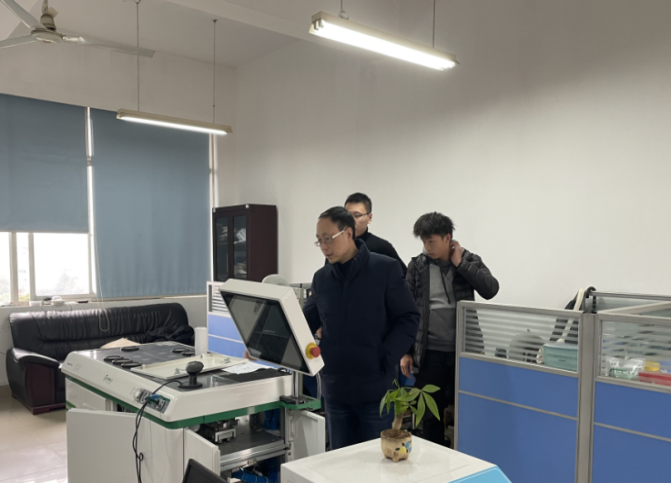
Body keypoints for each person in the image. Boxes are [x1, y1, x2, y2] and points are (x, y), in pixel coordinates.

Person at [303, 207, 419, 450]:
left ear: (348, 233)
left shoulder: (384, 269)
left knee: (374, 461)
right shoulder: (322, 278)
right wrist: (267, 343)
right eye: (319, 240)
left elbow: (408, 317)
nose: (323, 246)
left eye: (328, 238)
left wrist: (385, 357)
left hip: (375, 391)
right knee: (340, 459)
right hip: (336, 390)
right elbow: (304, 321)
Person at [401, 212, 499, 446]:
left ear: (447, 238)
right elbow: (407, 310)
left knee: (466, 408)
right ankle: (433, 459)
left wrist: (461, 264)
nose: (428, 247)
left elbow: (491, 289)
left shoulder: (469, 260)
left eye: (432, 241)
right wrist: (406, 351)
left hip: (464, 351)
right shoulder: (417, 266)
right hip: (429, 351)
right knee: (430, 413)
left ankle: (464, 456)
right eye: (424, 242)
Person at [345, 192, 407, 277]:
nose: (351, 220)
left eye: (357, 215)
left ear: (369, 218)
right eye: (347, 215)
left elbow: (404, 276)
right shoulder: (336, 245)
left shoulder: (382, 247)